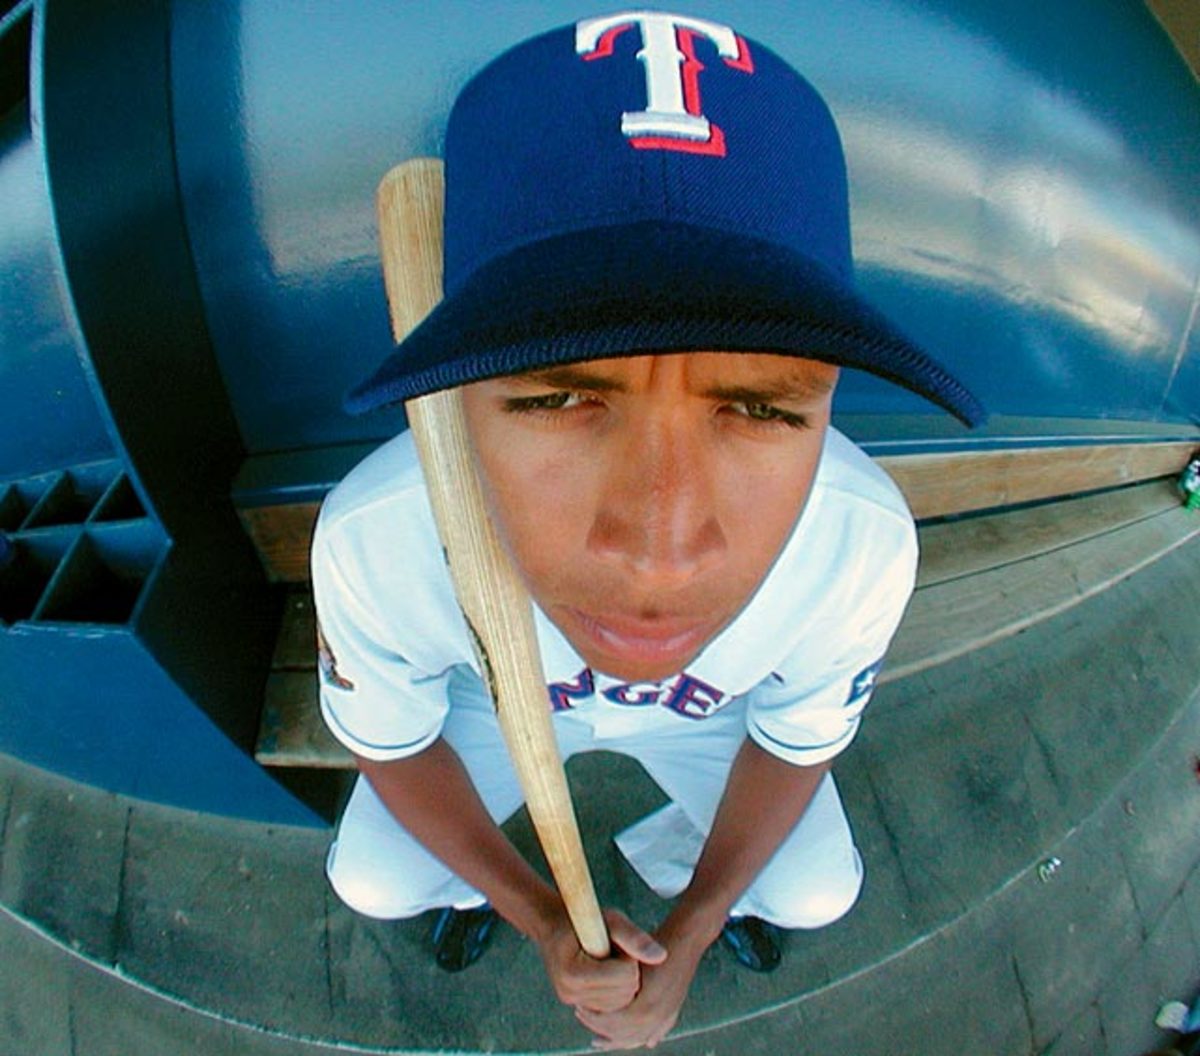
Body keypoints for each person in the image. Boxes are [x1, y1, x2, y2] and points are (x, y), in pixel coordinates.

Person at [312, 10, 985, 1051]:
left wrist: (698, 925)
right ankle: (482, 890)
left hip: (705, 714)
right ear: (460, 391)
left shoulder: (861, 541)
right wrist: (540, 917)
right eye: (554, 398)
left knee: (813, 891)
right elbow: (391, 744)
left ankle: (685, 885)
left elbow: (794, 738)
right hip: (487, 703)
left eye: (761, 407)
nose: (661, 551)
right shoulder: (377, 535)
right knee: (371, 875)